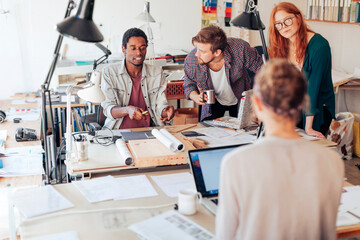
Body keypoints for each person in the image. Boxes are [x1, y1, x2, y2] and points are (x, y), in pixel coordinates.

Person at [216, 59, 344, 240]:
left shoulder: (236, 163)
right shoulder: (332, 161)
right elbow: (327, 232)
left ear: (258, 105)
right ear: (300, 104)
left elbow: (225, 235)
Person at [268, 2, 335, 138]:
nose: (284, 27)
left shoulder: (319, 46)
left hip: (317, 108)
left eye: (287, 20)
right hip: (295, 107)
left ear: (298, 18)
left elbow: (313, 88)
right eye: (278, 24)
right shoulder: (282, 45)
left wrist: (309, 127)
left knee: (309, 151)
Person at [183, 25, 263, 121]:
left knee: (244, 131)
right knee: (208, 131)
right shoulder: (192, 60)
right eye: (197, 49)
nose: (197, 54)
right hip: (212, 102)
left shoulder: (240, 49)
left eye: (202, 51)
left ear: (217, 52)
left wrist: (259, 97)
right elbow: (188, 83)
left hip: (239, 96)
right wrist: (195, 96)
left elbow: (263, 70)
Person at [101, 28, 174, 129]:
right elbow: (108, 109)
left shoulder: (157, 72)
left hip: (150, 131)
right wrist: (127, 110)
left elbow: (160, 104)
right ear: (123, 49)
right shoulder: (109, 72)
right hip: (118, 132)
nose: (139, 53)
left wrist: (165, 111)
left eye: (142, 48)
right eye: (133, 48)